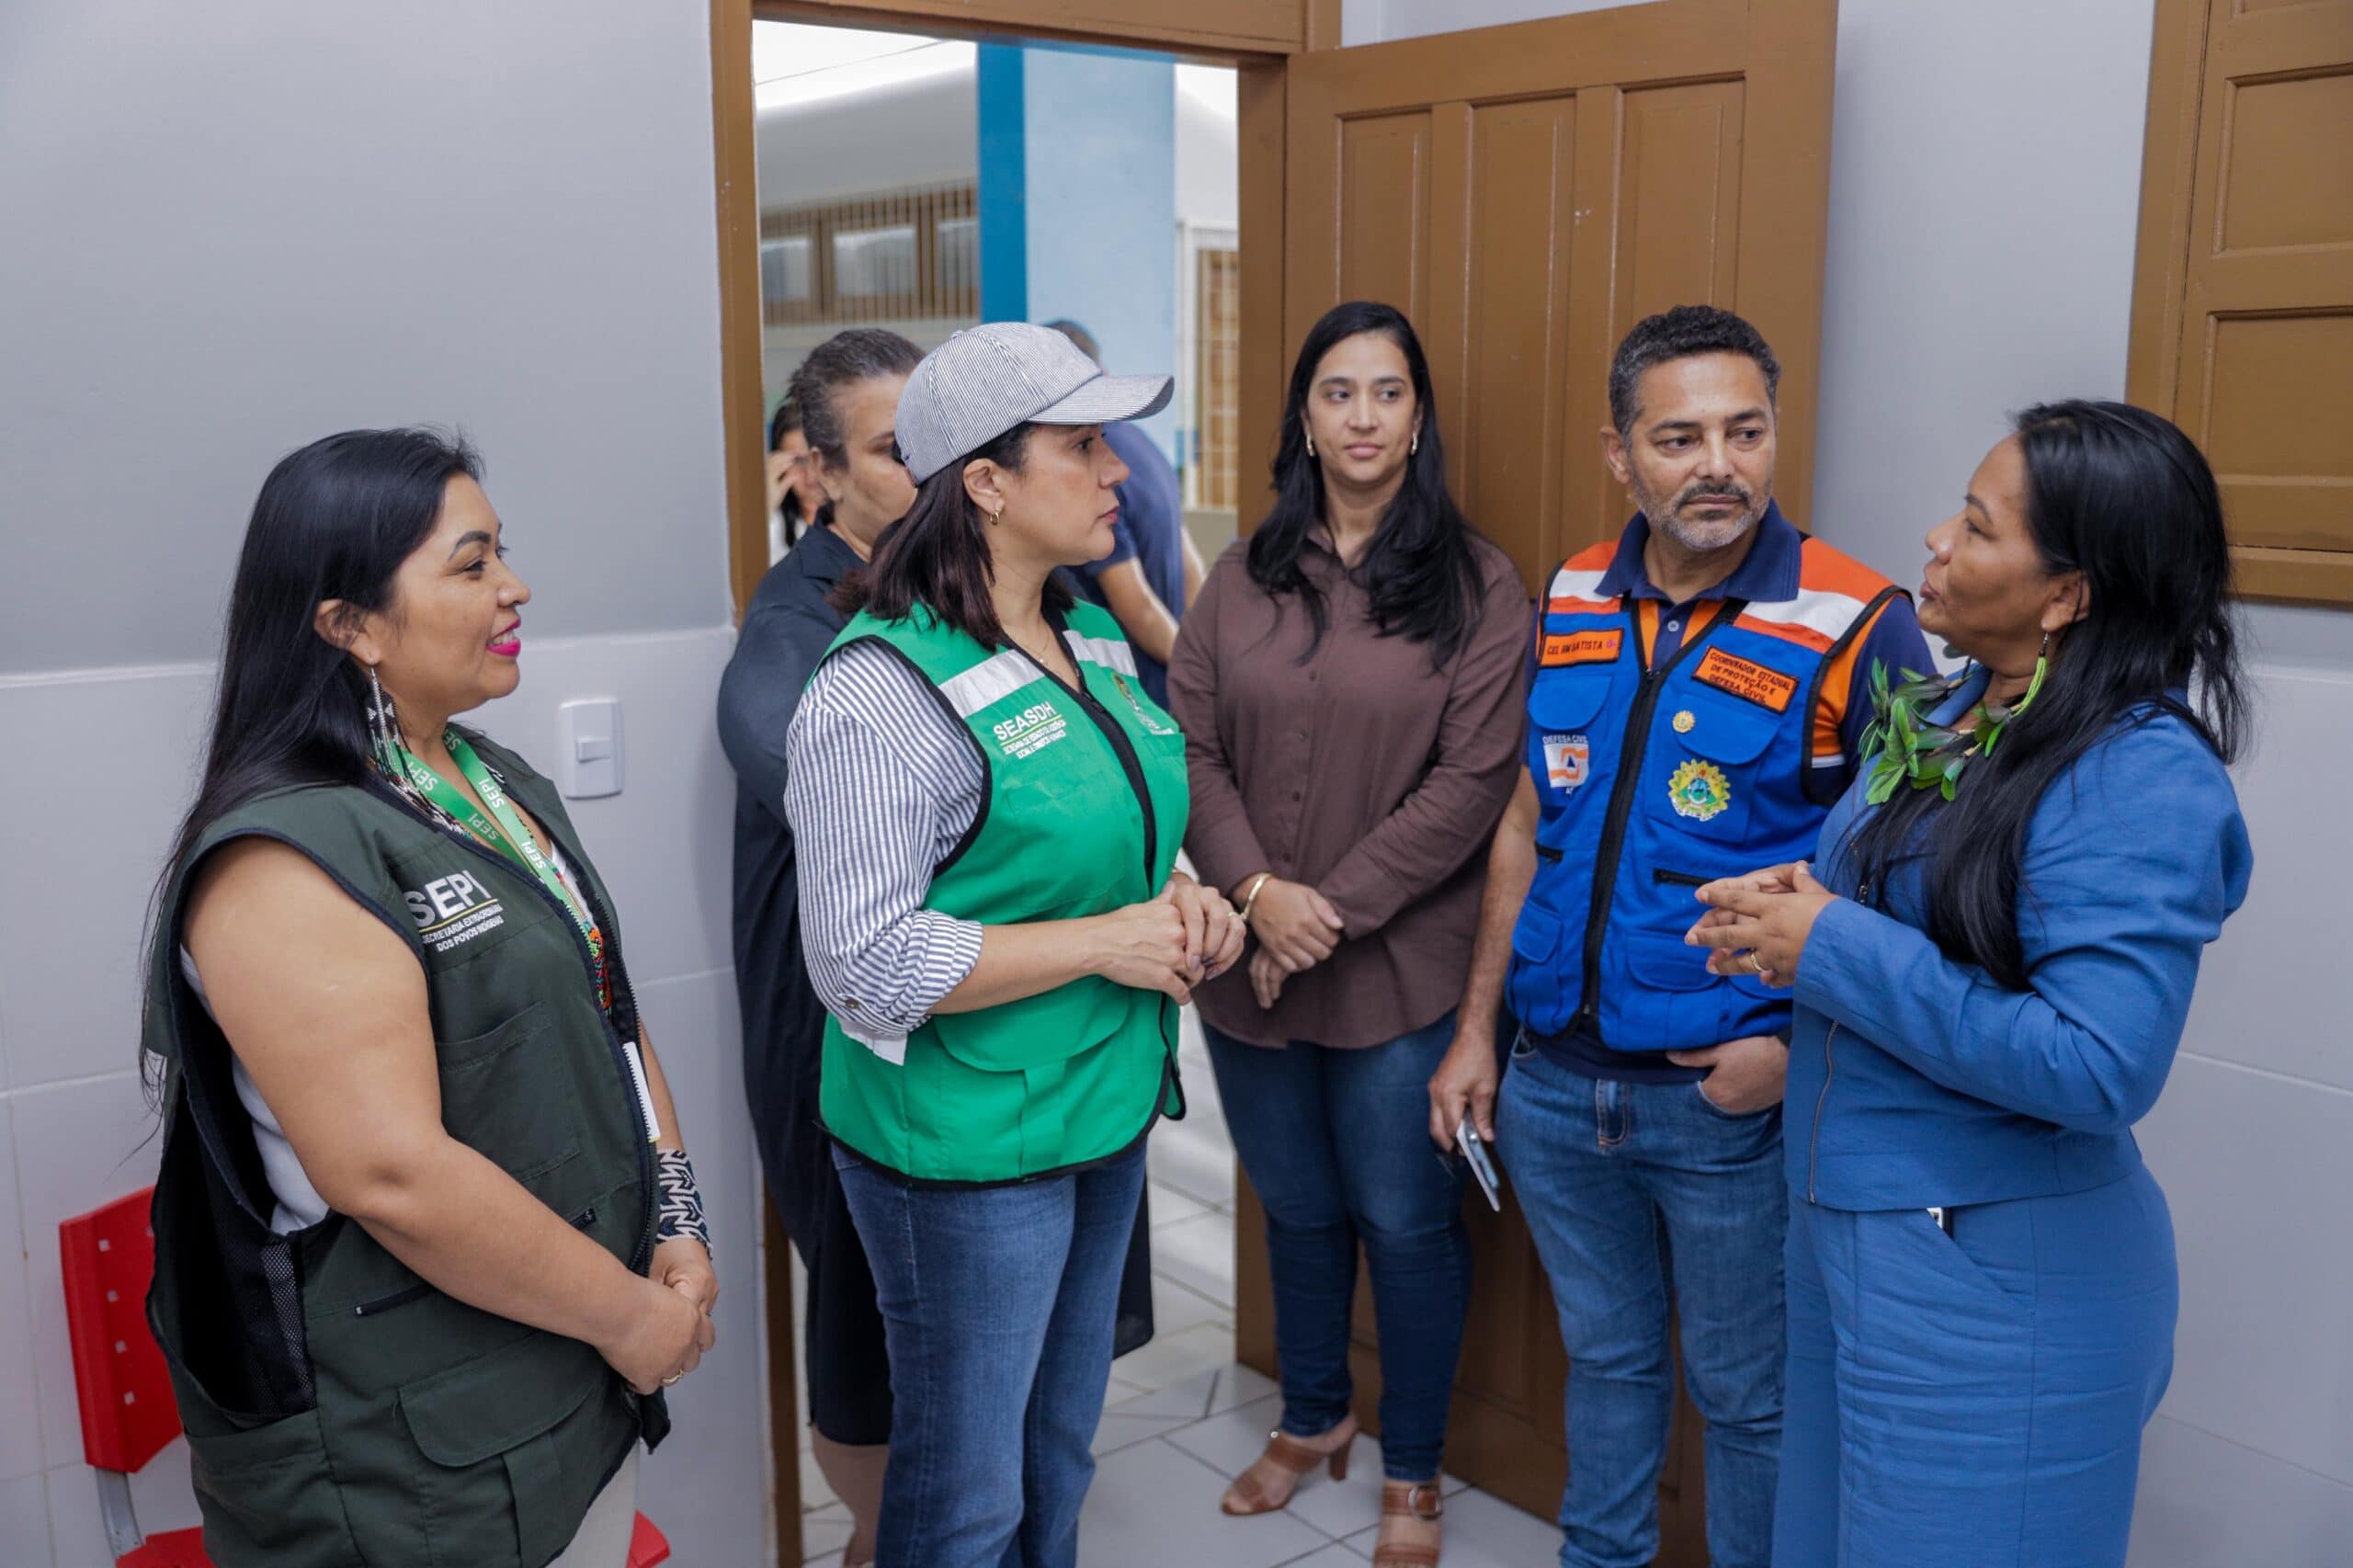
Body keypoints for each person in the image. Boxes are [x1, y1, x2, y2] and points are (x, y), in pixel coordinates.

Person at [1685, 402, 2251, 1567]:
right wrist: (1797, 902)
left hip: (1991, 1287)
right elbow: (1936, 905)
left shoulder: (2139, 773)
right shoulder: (1956, 706)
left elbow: (2097, 1064)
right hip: (1849, 1239)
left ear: (2066, 594)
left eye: (1977, 527)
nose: (1935, 539)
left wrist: (1831, 943)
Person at [141, 429, 717, 1568]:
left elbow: (610, 1006)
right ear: (347, 624)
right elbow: (391, 1172)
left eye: (502, 553)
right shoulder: (281, 856)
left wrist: (680, 1218)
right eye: (470, 564)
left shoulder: (491, 778)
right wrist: (632, 1317)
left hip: (567, 1382)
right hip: (410, 1460)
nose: (515, 588)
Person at [1427, 304, 1931, 1568]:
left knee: (1750, 1400)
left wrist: (1794, 1051)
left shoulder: (1858, 620)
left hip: (1725, 1103)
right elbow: (1528, 818)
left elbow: (1907, 879)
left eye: (1745, 430)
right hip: (1552, 1087)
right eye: (1680, 435)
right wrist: (1478, 1028)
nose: (1718, 463)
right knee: (1604, 1362)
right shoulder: (1576, 587)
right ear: (1621, 454)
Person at [783, 322, 1245, 1568]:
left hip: (1094, 1105)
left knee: (1058, 1450)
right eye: (1084, 445)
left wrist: (1186, 892)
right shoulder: (878, 690)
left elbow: (1120, 827)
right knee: (967, 1488)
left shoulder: (1087, 630)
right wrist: (1107, 941)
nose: (1120, 475)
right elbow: (863, 962)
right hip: (968, 1151)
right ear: (984, 482)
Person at [1168, 299, 1528, 1568]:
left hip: (1399, 972)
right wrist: (1259, 894)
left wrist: (1317, 915)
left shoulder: (1480, 585)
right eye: (1337, 392)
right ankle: (1315, 1416)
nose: (1363, 415)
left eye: (1387, 392)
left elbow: (1472, 784)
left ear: (1418, 415)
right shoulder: (1240, 573)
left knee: (1403, 1216)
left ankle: (1415, 1470)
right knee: (1298, 1207)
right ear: (1304, 419)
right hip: (1251, 964)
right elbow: (1191, 743)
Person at [720, 328, 922, 1568]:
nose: (935, 467)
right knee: (862, 1317)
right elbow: (822, 780)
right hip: (831, 1029)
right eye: (900, 448)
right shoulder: (791, 623)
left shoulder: (955, 584)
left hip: (951, 1026)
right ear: (817, 469)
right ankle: (872, 1536)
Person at [1044, 318, 1206, 707]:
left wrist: (1196, 673)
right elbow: (1190, 564)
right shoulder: (1143, 444)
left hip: (1145, 686)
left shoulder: (1099, 465)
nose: (1110, 466)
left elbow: (1139, 607)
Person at [767, 393, 819, 560]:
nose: (809, 473)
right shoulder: (774, 524)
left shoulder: (860, 519)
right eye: (798, 461)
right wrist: (766, 507)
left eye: (816, 458)